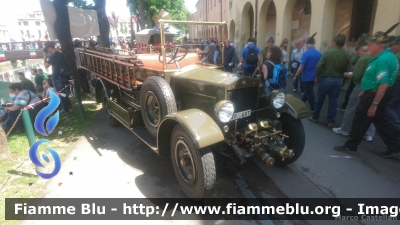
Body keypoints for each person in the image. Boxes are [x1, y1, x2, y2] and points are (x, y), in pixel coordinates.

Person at [334, 27, 400, 158]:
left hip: (375, 94)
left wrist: (374, 103)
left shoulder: (382, 60)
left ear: (379, 45)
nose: (368, 47)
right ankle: (394, 147)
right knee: (381, 121)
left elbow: (383, 83)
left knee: (360, 119)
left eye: (370, 44)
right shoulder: (388, 56)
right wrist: (366, 91)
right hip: (375, 92)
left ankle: (351, 146)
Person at [332, 35, 376, 141]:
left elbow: (356, 76)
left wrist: (348, 75)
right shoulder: (375, 58)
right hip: (374, 87)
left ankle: (344, 129)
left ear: (361, 50)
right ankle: (369, 133)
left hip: (361, 86)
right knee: (369, 110)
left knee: (351, 108)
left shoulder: (362, 60)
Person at [309, 34, 351, 128]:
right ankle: (330, 121)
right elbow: (347, 70)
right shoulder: (346, 55)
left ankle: (315, 117)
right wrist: (343, 79)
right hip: (338, 80)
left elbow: (319, 67)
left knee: (320, 99)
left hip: (326, 79)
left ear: (335, 42)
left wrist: (317, 76)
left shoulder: (327, 53)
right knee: (333, 101)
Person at [337, 34, 370, 112]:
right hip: (367, 81)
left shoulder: (362, 54)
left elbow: (353, 61)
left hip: (358, 79)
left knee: (351, 95)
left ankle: (345, 106)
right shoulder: (373, 55)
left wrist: (349, 75)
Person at [293, 34, 322, 111]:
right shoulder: (319, 53)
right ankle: (301, 103)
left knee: (310, 94)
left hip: (306, 77)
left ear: (307, 45)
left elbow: (301, 67)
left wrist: (296, 76)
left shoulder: (305, 54)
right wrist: (318, 76)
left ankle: (314, 108)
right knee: (307, 91)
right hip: (314, 77)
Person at [43, 41, 72, 114]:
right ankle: (69, 106)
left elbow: (46, 66)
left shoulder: (53, 56)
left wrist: (45, 56)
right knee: (64, 92)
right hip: (64, 75)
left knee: (60, 93)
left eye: (47, 49)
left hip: (56, 76)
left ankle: (65, 109)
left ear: (49, 48)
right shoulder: (61, 54)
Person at [386, 36, 400, 135]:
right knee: (395, 106)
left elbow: (395, 73)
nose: (392, 47)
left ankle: (397, 127)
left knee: (388, 106)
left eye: (393, 45)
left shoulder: (397, 57)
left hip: (397, 83)